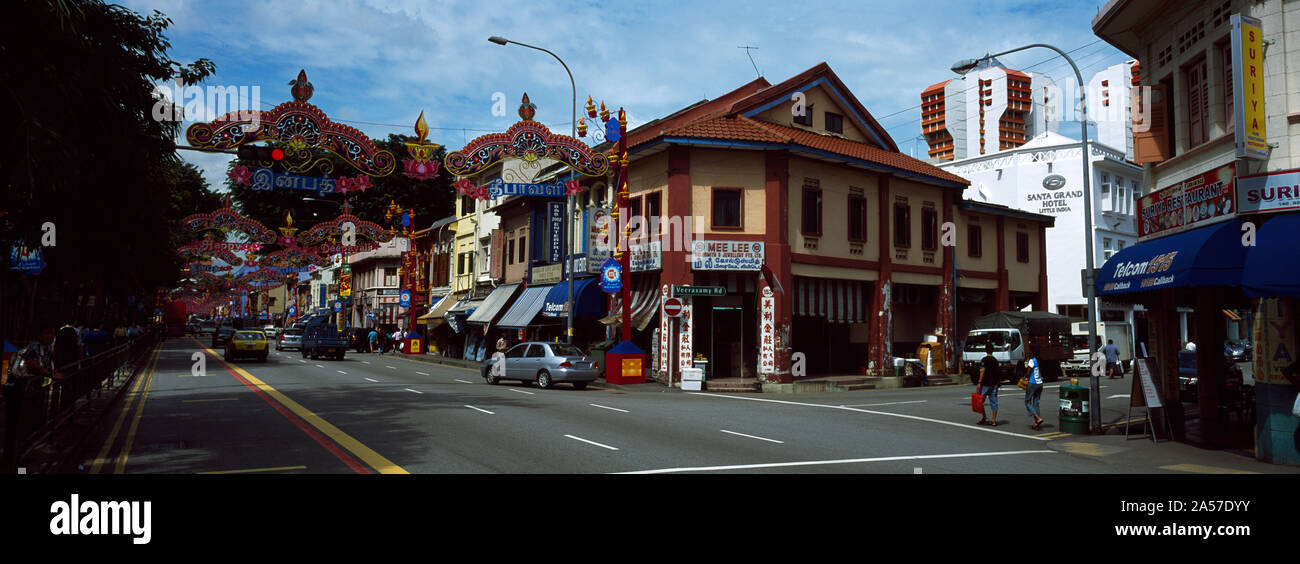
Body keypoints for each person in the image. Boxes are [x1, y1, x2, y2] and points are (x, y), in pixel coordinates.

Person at [977, 343, 1000, 426]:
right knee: (994, 402)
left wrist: (979, 382)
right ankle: (993, 420)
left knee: (980, 401)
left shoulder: (984, 360)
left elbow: (982, 371)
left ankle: (984, 417)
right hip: (994, 384)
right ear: (992, 351)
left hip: (985, 384)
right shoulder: (995, 360)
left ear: (986, 350)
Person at [1024, 346, 1045, 430]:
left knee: (1027, 401)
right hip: (1040, 383)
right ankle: (1037, 423)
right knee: (1036, 403)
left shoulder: (1032, 361)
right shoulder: (1040, 360)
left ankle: (1038, 418)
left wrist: (1024, 376)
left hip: (1033, 383)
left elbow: (1028, 373)